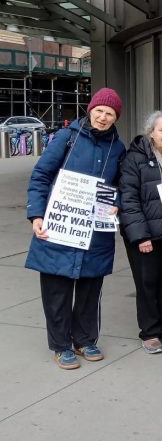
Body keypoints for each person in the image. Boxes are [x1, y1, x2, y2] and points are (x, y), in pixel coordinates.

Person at [26, 88, 126, 369]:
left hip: (95, 232)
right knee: (56, 290)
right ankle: (61, 345)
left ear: (116, 117)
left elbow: (120, 185)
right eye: (99, 111)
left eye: (109, 113)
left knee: (89, 290)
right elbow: (41, 175)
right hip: (59, 227)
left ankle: (85, 340)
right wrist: (36, 214)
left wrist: (116, 202)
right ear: (90, 110)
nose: (103, 117)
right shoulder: (66, 138)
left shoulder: (118, 148)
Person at [119, 111, 162, 354]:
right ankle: (149, 332)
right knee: (147, 283)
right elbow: (128, 200)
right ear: (151, 132)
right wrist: (141, 236)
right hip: (146, 236)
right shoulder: (134, 159)